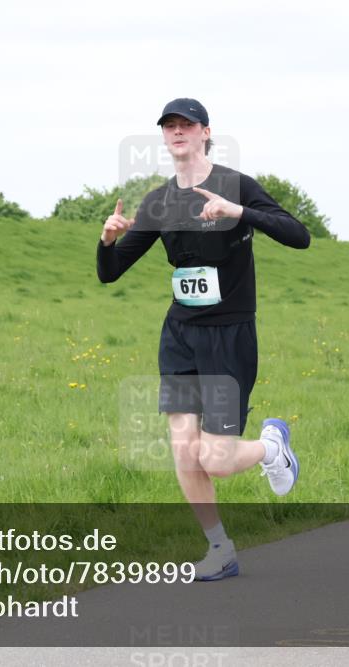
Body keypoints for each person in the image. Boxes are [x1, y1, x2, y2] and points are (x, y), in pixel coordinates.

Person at [97, 98, 310, 581]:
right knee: (182, 448)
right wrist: (108, 240)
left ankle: (271, 446)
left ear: (205, 132)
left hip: (229, 334)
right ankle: (220, 550)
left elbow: (299, 236)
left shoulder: (236, 185)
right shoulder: (159, 201)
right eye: (169, 126)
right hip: (181, 335)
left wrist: (238, 211)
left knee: (215, 460)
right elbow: (111, 273)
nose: (177, 132)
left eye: (186, 125)